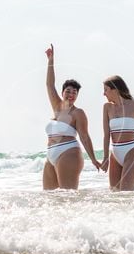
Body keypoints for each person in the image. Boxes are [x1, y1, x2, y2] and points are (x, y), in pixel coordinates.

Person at [42, 44, 101, 189]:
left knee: (68, 198)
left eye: (75, 92)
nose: (71, 95)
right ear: (63, 93)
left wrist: (93, 159)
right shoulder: (57, 107)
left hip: (69, 153)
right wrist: (51, 60)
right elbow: (50, 84)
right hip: (50, 156)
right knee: (49, 198)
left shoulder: (78, 113)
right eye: (68, 91)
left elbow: (85, 137)